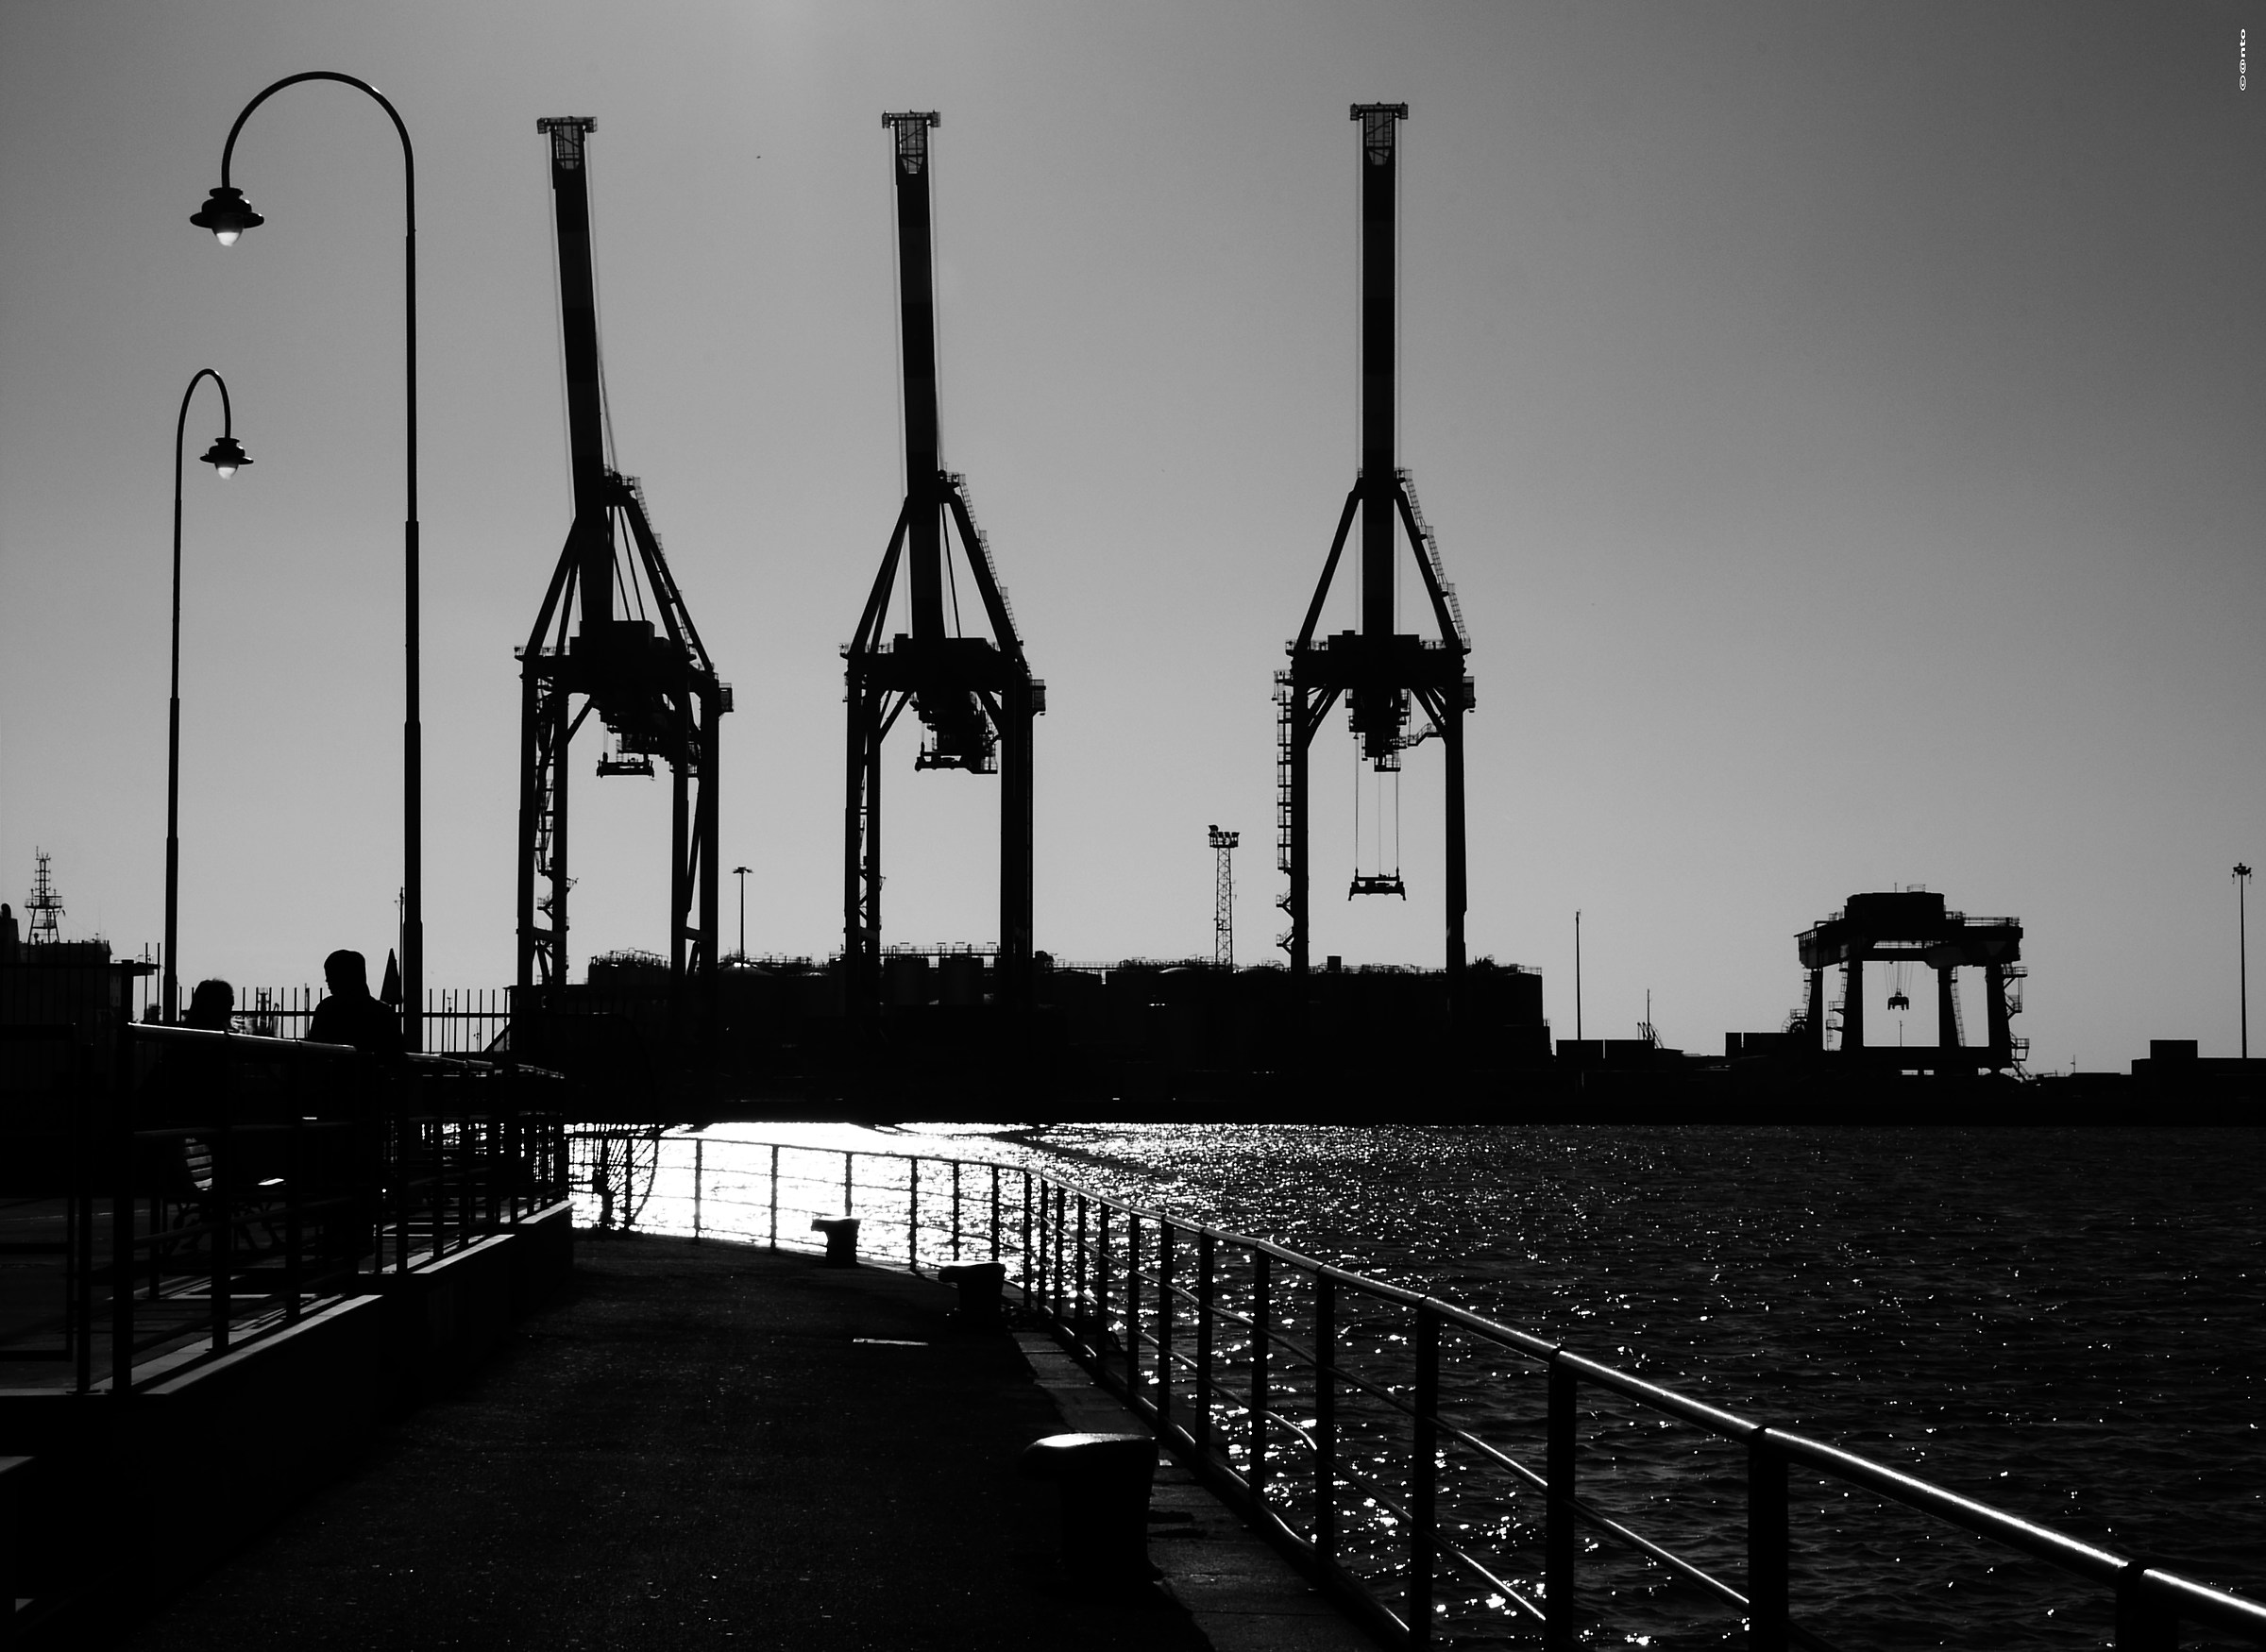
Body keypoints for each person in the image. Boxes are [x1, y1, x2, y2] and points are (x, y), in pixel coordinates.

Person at [307, 949, 404, 1059]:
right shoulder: (383, 1012)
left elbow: (314, 1048)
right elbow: (397, 1052)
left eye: (332, 976)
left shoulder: (327, 1009)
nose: (327, 981)